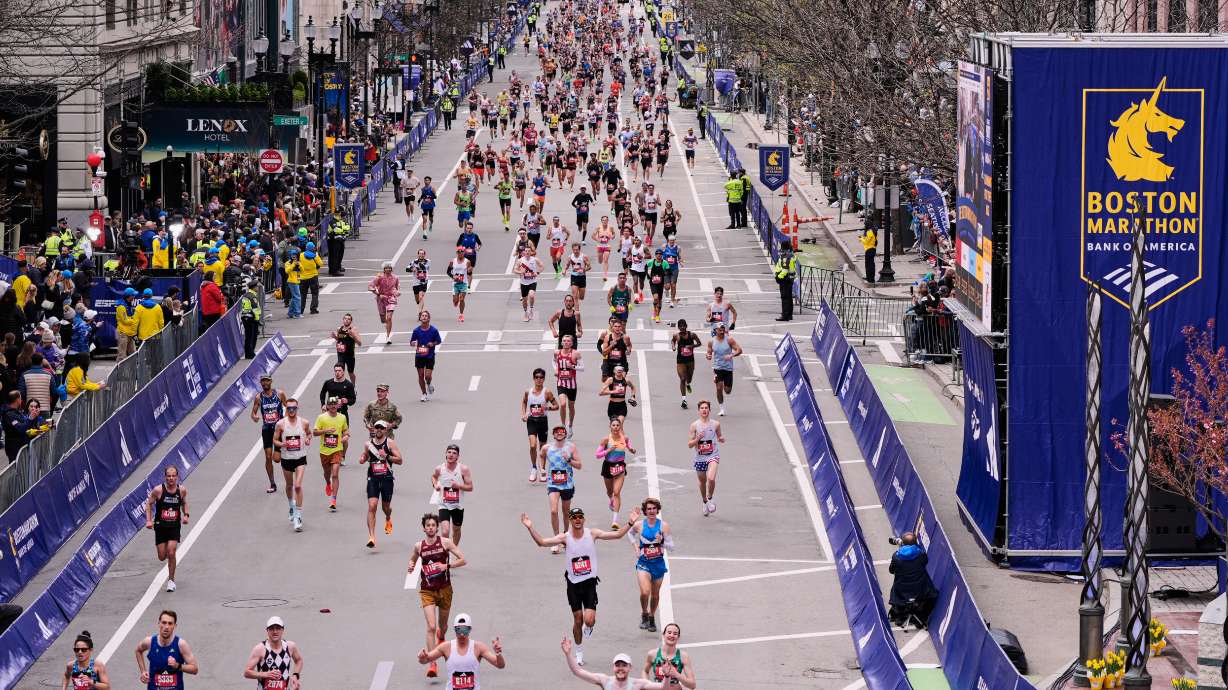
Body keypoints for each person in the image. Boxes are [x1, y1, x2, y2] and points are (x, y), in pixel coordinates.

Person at [520, 507, 640, 668]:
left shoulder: (593, 534)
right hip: (573, 585)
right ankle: (579, 651)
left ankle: (587, 626)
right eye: (574, 517)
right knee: (577, 619)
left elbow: (617, 535)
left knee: (589, 620)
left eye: (580, 517)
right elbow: (542, 543)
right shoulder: (565, 538)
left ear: (584, 519)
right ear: (570, 520)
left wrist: (630, 522)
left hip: (589, 583)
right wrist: (530, 527)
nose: (577, 520)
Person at [408, 513, 467, 679]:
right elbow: (412, 559)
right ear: (424, 528)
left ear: (437, 527)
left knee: (442, 627)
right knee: (431, 627)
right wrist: (411, 565)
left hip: (445, 589)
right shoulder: (419, 546)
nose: (431, 528)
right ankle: (432, 663)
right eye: (428, 525)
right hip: (427, 590)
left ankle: (441, 638)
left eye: (433, 525)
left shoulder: (446, 543)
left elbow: (463, 560)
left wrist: (446, 566)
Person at [416, 613, 505, 684]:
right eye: (459, 630)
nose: (462, 634)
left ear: (470, 630)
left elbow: (500, 665)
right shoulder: (446, 647)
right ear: (455, 630)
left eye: (465, 630)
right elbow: (425, 660)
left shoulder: (479, 647)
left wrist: (498, 653)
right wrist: (421, 657)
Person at [630, 498, 672, 631]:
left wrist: (662, 541)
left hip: (658, 564)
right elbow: (630, 534)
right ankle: (644, 613)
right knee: (645, 592)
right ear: (645, 511)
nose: (652, 511)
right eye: (649, 509)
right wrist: (636, 546)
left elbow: (672, 547)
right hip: (644, 564)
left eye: (654, 508)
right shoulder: (639, 525)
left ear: (657, 510)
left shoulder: (663, 526)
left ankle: (652, 617)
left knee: (655, 595)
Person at [145, 466, 189, 592]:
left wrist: (186, 515)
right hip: (160, 526)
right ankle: (170, 576)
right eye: (168, 476)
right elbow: (149, 503)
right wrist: (148, 520)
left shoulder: (181, 490)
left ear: (177, 476)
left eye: (173, 476)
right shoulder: (158, 490)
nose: (171, 478)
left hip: (174, 526)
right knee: (162, 556)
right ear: (165, 477)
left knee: (171, 552)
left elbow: (184, 503)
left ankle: (171, 581)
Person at [360, 420, 403, 548]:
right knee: (372, 506)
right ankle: (372, 537)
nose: (379, 429)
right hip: (372, 477)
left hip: (386, 478)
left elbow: (400, 460)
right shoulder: (368, 444)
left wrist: (387, 456)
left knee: (385, 507)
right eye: (377, 427)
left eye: (381, 428)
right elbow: (367, 455)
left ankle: (388, 517)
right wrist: (363, 458)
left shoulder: (390, 443)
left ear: (385, 430)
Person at [563, 639, 673, 689]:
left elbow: (664, 688)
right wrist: (568, 654)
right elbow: (578, 671)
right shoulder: (605, 680)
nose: (620, 668)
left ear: (630, 667)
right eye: (617, 665)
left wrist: (667, 676)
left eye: (624, 665)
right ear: (613, 667)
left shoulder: (638, 684)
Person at [273, 398, 312, 532]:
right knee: (289, 485)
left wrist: (307, 439)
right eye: (288, 408)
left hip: (300, 458)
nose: (291, 410)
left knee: (298, 485)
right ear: (286, 409)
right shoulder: (280, 424)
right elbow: (275, 440)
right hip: (286, 458)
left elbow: (309, 434)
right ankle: (291, 505)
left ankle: (298, 515)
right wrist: (282, 444)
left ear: (297, 408)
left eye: (293, 408)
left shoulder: (304, 422)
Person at [134, 610, 199, 689]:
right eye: (164, 622)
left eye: (170, 623)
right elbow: (138, 650)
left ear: (175, 626)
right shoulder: (149, 642)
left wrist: (177, 666)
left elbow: (194, 669)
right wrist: (143, 671)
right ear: (159, 623)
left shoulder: (181, 644)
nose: (166, 627)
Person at [888, 532, 938, 627]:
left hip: (901, 592)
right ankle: (922, 616)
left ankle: (899, 615)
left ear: (903, 543)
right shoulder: (922, 554)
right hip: (920, 591)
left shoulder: (896, 557)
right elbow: (924, 563)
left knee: (896, 586)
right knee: (933, 594)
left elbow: (891, 571)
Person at [242, 616, 304, 690]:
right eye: (271, 629)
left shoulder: (290, 646)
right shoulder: (260, 649)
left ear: (282, 630)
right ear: (267, 631)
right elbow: (246, 672)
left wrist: (295, 675)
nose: (275, 632)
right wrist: (265, 674)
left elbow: (298, 660)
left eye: (278, 628)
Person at [596, 416, 636, 529]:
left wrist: (631, 449)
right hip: (608, 466)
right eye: (613, 425)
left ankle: (615, 520)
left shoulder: (625, 437)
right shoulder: (606, 439)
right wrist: (608, 450)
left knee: (616, 492)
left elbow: (628, 445)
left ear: (620, 426)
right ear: (610, 427)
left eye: (618, 425)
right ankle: (611, 499)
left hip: (620, 467)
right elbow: (597, 455)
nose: (616, 427)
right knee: (610, 492)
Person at [523, 367, 560, 482]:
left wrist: (547, 407)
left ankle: (542, 469)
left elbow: (557, 406)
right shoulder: (528, 392)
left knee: (543, 447)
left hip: (543, 421)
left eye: (541, 378)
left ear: (544, 379)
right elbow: (524, 402)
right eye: (536, 377)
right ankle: (534, 468)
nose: (539, 380)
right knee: (533, 445)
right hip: (532, 421)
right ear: (533, 379)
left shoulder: (547, 392)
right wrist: (524, 414)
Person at [687, 401, 725, 516]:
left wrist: (721, 439)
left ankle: (710, 498)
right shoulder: (694, 425)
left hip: (712, 455)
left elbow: (719, 436)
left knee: (711, 478)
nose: (704, 410)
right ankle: (704, 501)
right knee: (702, 481)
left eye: (706, 408)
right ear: (699, 411)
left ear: (709, 410)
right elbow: (689, 444)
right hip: (700, 457)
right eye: (702, 408)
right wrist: (697, 439)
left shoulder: (716, 424)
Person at [313, 396, 349, 512]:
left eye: (335, 404)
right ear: (327, 406)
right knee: (327, 473)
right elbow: (314, 432)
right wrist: (325, 431)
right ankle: (328, 483)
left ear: (338, 406)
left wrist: (345, 437)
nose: (333, 406)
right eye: (331, 404)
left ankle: (333, 500)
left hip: (337, 450)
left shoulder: (342, 417)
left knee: (335, 474)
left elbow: (346, 431)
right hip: (324, 451)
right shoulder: (321, 418)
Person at [432, 444, 473, 545]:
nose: (451, 455)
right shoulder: (439, 468)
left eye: (454, 453)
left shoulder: (463, 469)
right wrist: (435, 485)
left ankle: (454, 549)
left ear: (458, 456)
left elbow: (470, 487)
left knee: (456, 530)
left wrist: (458, 486)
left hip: (457, 506)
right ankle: (445, 553)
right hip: (443, 504)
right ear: (446, 454)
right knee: (445, 531)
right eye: (449, 452)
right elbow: (434, 477)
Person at [251, 375, 286, 493]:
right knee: (268, 456)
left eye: (266, 381)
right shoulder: (258, 397)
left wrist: (289, 418)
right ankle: (272, 483)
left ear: (271, 381)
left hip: (278, 429)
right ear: (261, 383)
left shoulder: (279, 394)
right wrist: (255, 417)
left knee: (277, 459)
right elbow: (253, 413)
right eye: (262, 381)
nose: (265, 383)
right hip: (266, 429)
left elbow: (288, 406)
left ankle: (285, 460)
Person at [642, 624, 696, 688]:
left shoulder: (683, 656)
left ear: (678, 637)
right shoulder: (653, 654)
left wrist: (676, 674)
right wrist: (648, 685)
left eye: (675, 634)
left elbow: (692, 685)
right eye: (669, 632)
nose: (672, 635)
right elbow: (645, 671)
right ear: (664, 634)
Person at [706, 324, 742, 416]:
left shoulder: (729, 340)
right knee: (719, 388)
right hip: (717, 367)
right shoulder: (711, 341)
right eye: (720, 329)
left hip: (728, 368)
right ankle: (721, 409)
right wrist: (708, 356)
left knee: (727, 391)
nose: (722, 330)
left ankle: (725, 389)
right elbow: (708, 353)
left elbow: (739, 350)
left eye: (723, 328)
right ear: (716, 330)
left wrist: (731, 355)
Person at [411, 310, 443, 402]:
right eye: (422, 316)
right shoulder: (416, 330)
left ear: (428, 318)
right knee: (421, 375)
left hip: (430, 356)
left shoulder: (433, 330)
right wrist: (413, 343)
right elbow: (412, 341)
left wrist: (432, 344)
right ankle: (424, 394)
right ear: (420, 318)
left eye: (426, 316)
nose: (424, 317)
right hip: (419, 355)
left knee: (427, 376)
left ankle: (429, 384)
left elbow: (439, 341)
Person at [368, 262, 401, 343]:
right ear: (384, 269)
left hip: (391, 299)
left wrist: (397, 293)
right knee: (383, 320)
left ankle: (388, 336)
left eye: (389, 268)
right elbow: (370, 287)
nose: (388, 269)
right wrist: (378, 294)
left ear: (391, 269)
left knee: (389, 317)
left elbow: (396, 288)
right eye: (386, 268)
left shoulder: (395, 278)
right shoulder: (379, 278)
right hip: (381, 299)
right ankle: (387, 324)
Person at [446, 247, 473, 323]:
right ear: (456, 253)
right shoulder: (452, 261)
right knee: (455, 301)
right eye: (458, 252)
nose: (460, 253)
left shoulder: (467, 262)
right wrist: (453, 276)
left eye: (461, 252)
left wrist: (469, 271)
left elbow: (469, 273)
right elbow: (448, 272)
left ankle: (461, 315)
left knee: (462, 299)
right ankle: (456, 301)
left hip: (464, 283)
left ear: (464, 252)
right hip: (455, 284)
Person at [774, 243, 798, 321]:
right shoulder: (791, 256)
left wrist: (778, 277)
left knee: (784, 298)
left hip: (784, 279)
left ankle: (785, 315)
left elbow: (784, 270)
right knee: (789, 297)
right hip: (790, 279)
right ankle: (789, 315)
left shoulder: (785, 257)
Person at [239, 280, 262, 358]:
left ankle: (249, 353)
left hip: (246, 317)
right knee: (252, 337)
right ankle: (250, 354)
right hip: (251, 319)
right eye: (257, 287)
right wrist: (257, 320)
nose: (258, 288)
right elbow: (255, 309)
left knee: (248, 336)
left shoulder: (246, 295)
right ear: (254, 287)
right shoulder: (253, 297)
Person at [115, 287, 139, 361]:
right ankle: (120, 371)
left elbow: (129, 317)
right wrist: (134, 320)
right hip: (123, 333)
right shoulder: (121, 306)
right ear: (129, 296)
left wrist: (132, 318)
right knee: (122, 355)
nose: (134, 297)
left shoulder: (128, 304)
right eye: (133, 295)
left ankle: (134, 370)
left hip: (129, 333)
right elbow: (125, 321)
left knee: (133, 353)